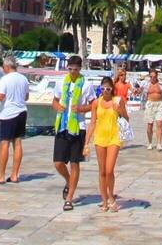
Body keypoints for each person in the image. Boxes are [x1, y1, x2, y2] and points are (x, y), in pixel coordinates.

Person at [50, 58, 97, 211]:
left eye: (75, 69)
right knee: (58, 162)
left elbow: (93, 104)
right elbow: (55, 100)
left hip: (78, 127)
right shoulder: (61, 82)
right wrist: (58, 107)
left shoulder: (87, 85)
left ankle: (69, 198)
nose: (72, 72)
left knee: (74, 163)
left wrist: (81, 109)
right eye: (70, 69)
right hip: (63, 126)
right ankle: (69, 180)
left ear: (80, 69)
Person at [88, 78, 127, 212]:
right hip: (100, 138)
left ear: (112, 89)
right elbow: (92, 122)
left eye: (108, 89)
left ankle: (111, 197)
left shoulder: (118, 101)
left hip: (114, 138)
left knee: (109, 170)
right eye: (103, 89)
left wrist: (120, 110)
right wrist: (85, 143)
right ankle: (104, 200)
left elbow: (127, 118)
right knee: (102, 171)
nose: (105, 91)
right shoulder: (96, 103)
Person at [0, 56, 30, 184]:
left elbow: (0, 96)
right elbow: (26, 96)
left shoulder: (5, 79)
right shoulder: (23, 79)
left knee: (4, 143)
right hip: (22, 111)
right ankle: (14, 175)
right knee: (17, 143)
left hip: (9, 113)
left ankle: (0, 176)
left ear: (6, 67)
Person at [143, 67, 162, 151]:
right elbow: (142, 94)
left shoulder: (161, 84)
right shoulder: (146, 84)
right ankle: (150, 143)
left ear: (157, 76)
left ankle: (159, 143)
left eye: (154, 77)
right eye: (151, 77)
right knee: (150, 125)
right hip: (150, 104)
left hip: (159, 104)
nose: (152, 78)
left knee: (159, 123)